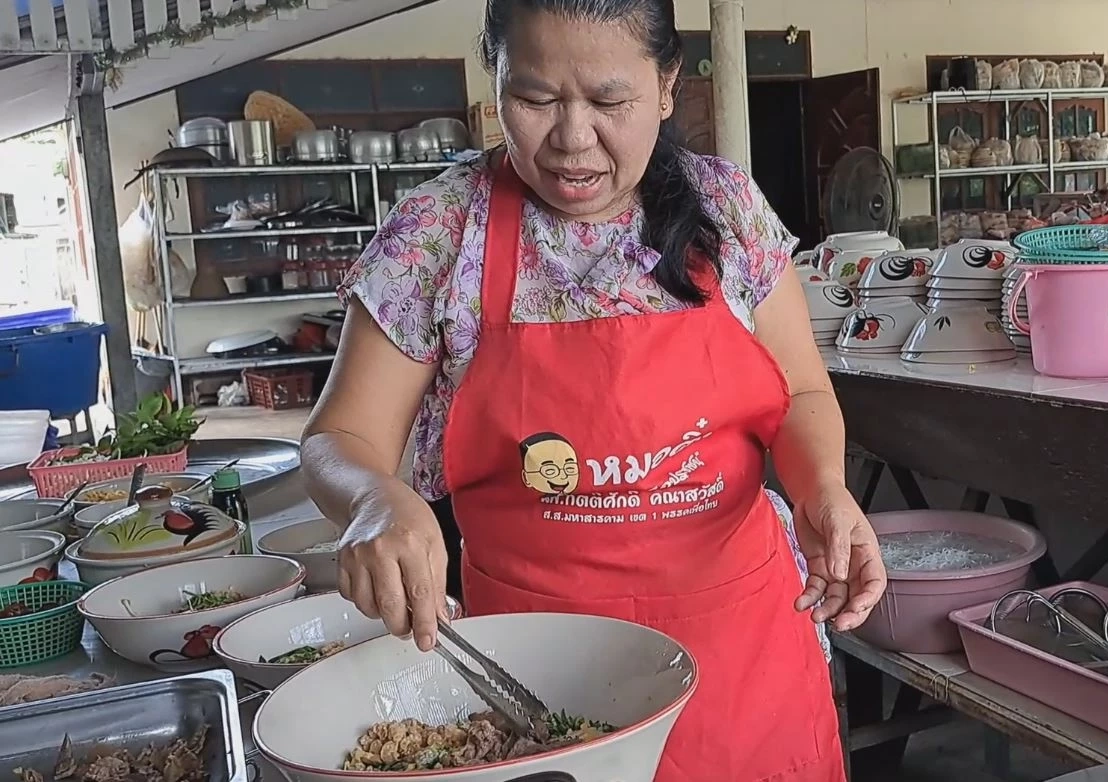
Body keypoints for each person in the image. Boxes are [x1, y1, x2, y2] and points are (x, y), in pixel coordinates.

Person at [300, 0, 887, 779]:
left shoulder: (726, 209)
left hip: (742, 657)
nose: (572, 137)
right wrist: (374, 499)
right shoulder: (439, 232)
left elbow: (802, 393)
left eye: (610, 101)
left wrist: (823, 490)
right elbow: (339, 438)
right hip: (538, 670)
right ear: (495, 78)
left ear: (667, 86)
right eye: (534, 98)